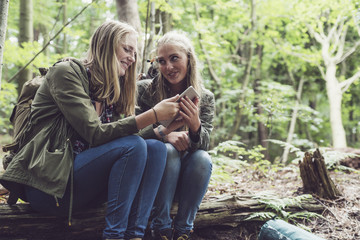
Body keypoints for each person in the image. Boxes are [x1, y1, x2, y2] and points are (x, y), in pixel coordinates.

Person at [0, 20, 181, 240]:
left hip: (82, 183)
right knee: (133, 146)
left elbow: (117, 143)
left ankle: (135, 235)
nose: (133, 58)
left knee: (156, 149)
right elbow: (95, 134)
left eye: (135, 52)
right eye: (127, 49)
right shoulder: (66, 73)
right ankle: (113, 236)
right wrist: (153, 115)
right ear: (105, 44)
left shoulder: (108, 90)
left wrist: (163, 129)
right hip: (48, 188)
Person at [136, 31, 215, 240]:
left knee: (203, 158)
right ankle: (160, 228)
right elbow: (131, 133)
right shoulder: (145, 91)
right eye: (161, 61)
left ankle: (183, 230)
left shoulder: (205, 98)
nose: (168, 67)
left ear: (188, 58)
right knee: (168, 150)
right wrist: (165, 136)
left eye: (174, 58)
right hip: (155, 176)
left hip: (187, 179)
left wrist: (195, 127)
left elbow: (205, 145)